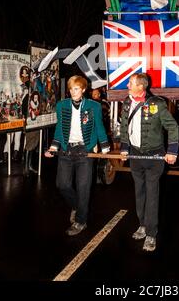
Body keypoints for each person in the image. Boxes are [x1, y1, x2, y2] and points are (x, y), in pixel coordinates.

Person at [120, 73, 179, 252]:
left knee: (152, 193)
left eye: (131, 83)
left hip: (155, 156)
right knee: (140, 192)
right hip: (136, 155)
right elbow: (124, 127)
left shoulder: (157, 104)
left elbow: (173, 126)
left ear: (141, 87)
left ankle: (151, 233)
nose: (128, 85)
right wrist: (124, 148)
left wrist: (172, 151)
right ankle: (143, 225)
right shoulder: (127, 103)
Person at [45, 75, 110, 236]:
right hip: (66, 150)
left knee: (83, 187)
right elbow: (60, 128)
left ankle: (81, 221)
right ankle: (77, 206)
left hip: (85, 150)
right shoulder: (62, 105)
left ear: (83, 89)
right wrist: (54, 147)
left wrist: (105, 147)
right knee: (63, 184)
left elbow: (99, 127)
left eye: (76, 88)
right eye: (71, 88)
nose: (73, 92)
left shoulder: (93, 106)